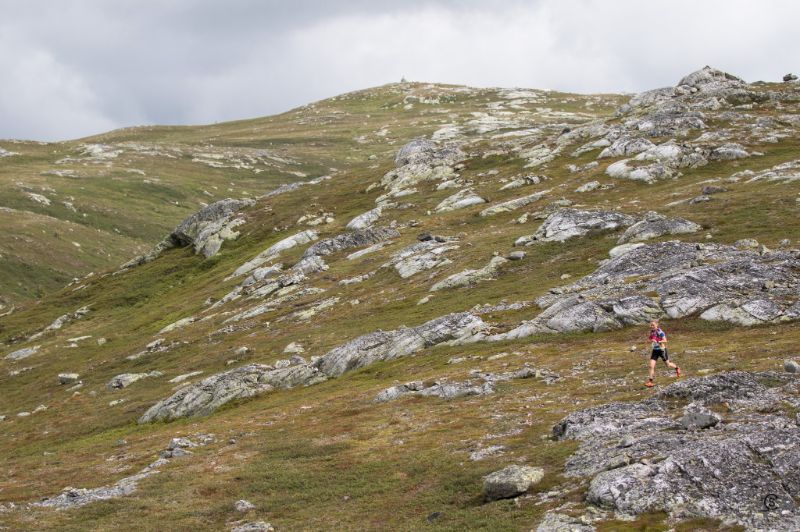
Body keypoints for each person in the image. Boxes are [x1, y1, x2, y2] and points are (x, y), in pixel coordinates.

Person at [645, 320, 680, 387]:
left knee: (668, 364)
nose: (651, 326)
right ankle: (650, 382)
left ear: (656, 325)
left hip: (662, 350)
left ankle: (677, 368)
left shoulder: (660, 332)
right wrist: (651, 340)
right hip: (655, 350)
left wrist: (657, 341)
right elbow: (650, 339)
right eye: (651, 325)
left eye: (653, 325)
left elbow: (665, 340)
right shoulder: (651, 332)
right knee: (651, 366)